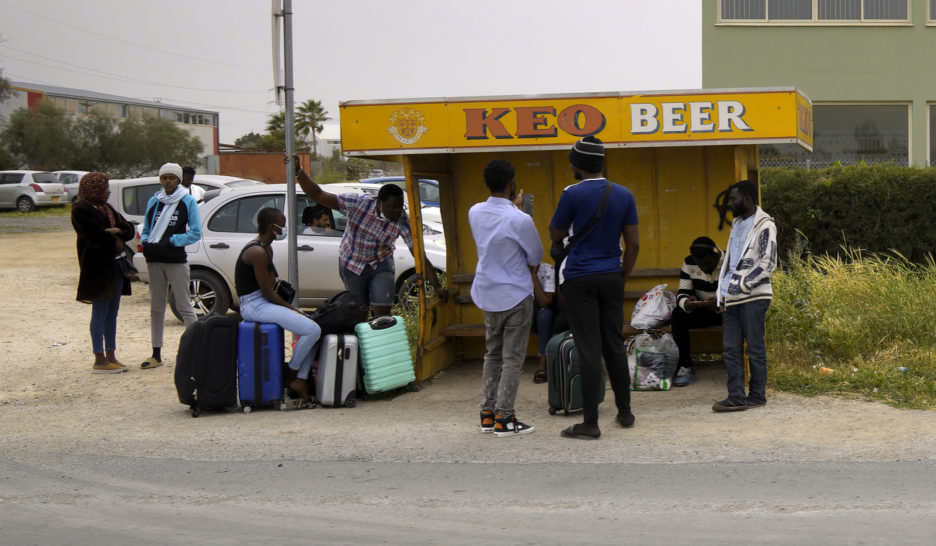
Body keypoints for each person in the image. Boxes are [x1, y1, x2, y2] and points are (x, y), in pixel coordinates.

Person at [549, 136, 640, 440]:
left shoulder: (571, 194)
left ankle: (590, 423)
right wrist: (622, 276)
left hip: (579, 279)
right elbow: (633, 244)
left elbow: (556, 233)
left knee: (589, 349)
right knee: (614, 344)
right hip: (612, 276)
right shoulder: (624, 194)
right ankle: (625, 412)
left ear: (577, 164)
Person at [292, 158, 448, 316]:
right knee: (358, 311)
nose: (397, 211)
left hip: (381, 263)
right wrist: (299, 171)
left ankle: (379, 326)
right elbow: (318, 194)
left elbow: (419, 255)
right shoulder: (358, 203)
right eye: (393, 207)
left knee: (382, 312)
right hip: (352, 263)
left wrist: (437, 287)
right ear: (379, 203)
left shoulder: (402, 220)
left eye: (400, 206)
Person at [469, 159, 543, 437]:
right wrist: (520, 210)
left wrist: (515, 206)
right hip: (515, 295)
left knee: (493, 355)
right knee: (512, 359)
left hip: (487, 293)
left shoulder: (475, 211)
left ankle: (487, 415)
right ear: (511, 184)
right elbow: (535, 255)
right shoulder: (520, 219)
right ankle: (505, 419)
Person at [236, 208, 322, 402]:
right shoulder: (257, 251)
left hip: (263, 301)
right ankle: (291, 373)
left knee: (315, 329)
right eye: (281, 226)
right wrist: (293, 309)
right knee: (312, 330)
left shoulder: (266, 248)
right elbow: (268, 292)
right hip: (253, 305)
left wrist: (294, 310)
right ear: (270, 227)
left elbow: (271, 283)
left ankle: (300, 379)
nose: (283, 229)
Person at [712, 180, 777, 412]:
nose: (729, 203)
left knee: (754, 349)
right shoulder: (738, 223)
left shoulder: (765, 225)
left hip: (753, 297)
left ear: (747, 199)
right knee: (731, 349)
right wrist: (725, 290)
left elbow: (768, 263)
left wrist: (744, 285)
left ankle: (757, 395)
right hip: (731, 297)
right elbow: (732, 260)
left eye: (733, 199)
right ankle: (736, 396)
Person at [71, 172, 135, 374]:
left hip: (116, 267)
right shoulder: (81, 210)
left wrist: (117, 231)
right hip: (98, 270)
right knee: (100, 313)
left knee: (112, 313)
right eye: (104, 188)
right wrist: (116, 238)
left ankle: (111, 355)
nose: (108, 192)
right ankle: (99, 359)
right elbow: (95, 237)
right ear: (93, 189)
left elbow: (129, 228)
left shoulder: (106, 208)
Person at [139, 163, 202, 369]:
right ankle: (156, 354)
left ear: (178, 179)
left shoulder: (187, 201)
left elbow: (195, 233)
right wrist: (147, 242)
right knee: (156, 307)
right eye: (164, 177)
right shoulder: (154, 201)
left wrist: (172, 241)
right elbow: (147, 228)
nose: (167, 181)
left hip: (175, 259)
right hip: (155, 258)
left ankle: (196, 351)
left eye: (171, 178)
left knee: (184, 306)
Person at [671, 236, 724, 387]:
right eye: (699, 264)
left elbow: (737, 292)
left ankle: (737, 364)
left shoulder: (729, 260)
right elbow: (682, 292)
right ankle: (685, 366)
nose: (702, 267)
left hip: (727, 311)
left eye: (706, 263)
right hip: (704, 311)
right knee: (678, 315)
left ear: (715, 257)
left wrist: (721, 303)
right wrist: (686, 304)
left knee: (740, 313)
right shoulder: (689, 262)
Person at [531, 261, 567, 384]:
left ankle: (543, 360)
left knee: (544, 314)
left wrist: (533, 275)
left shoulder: (547, 269)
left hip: (540, 315)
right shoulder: (514, 268)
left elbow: (545, 303)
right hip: (520, 312)